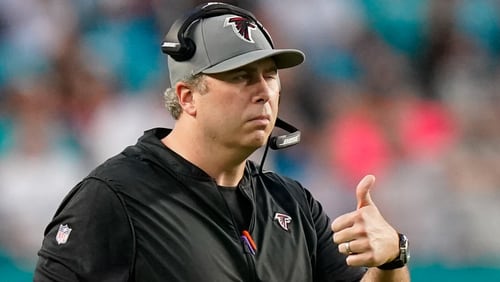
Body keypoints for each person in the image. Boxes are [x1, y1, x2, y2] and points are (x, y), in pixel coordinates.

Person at [34, 2, 410, 281]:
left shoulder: (294, 205)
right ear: (187, 97)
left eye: (270, 75)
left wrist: (392, 258)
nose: (264, 91)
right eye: (242, 76)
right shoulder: (115, 198)